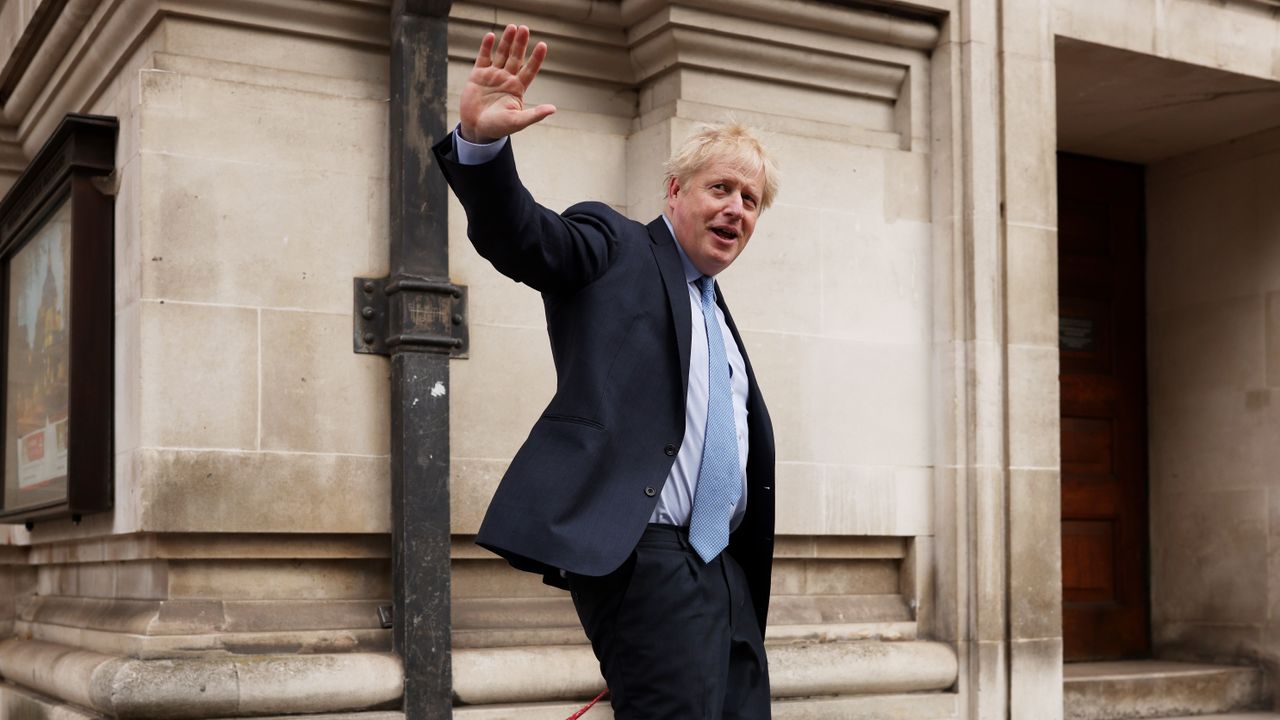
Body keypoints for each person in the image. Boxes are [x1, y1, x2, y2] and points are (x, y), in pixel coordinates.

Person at [433, 24, 779, 719]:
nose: (736, 209)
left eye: (751, 199)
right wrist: (482, 145)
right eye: (722, 188)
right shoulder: (615, 245)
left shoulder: (719, 314)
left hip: (727, 572)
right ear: (674, 191)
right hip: (647, 557)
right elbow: (526, 237)